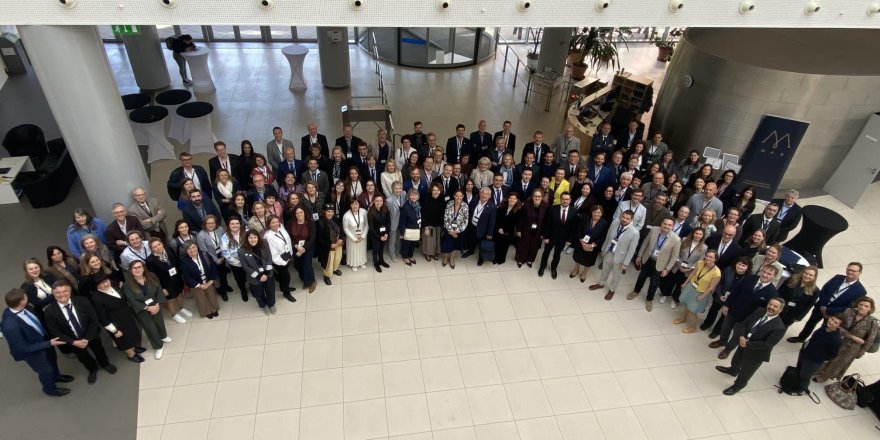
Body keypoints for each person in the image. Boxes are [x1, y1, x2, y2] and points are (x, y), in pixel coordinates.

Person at [1, 288, 74, 396]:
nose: (27, 297)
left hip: (44, 341)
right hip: (34, 353)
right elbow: (23, 348)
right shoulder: (10, 326)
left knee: (52, 361)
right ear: (21, 301)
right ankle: (50, 390)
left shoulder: (26, 307)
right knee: (46, 371)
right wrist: (48, 343)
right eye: (25, 296)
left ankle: (56, 377)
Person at [44, 281, 117, 384]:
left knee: (99, 350)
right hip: (73, 341)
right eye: (58, 292)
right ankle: (92, 369)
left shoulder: (83, 301)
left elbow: (94, 319)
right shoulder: (49, 311)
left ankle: (105, 364)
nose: (62, 295)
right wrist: (73, 342)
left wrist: (87, 338)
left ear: (70, 292)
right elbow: (54, 331)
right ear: (53, 294)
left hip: (91, 335)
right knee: (83, 357)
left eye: (65, 291)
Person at [715, 297, 787, 395]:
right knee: (736, 359)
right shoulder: (760, 311)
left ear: (780, 310)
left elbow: (767, 344)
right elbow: (744, 324)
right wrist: (741, 336)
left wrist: (747, 343)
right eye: (770, 304)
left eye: (775, 306)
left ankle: (737, 386)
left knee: (746, 372)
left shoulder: (779, 327)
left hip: (756, 352)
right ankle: (732, 370)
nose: (771, 307)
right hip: (743, 342)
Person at [709, 265, 779, 358]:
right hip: (733, 311)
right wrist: (726, 305)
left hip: (747, 319)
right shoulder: (749, 278)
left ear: (774, 276)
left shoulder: (773, 293)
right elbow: (735, 291)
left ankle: (727, 350)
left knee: (737, 336)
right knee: (725, 327)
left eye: (769, 274)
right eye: (764, 271)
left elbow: (764, 311)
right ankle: (722, 341)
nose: (765, 275)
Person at [791, 266, 867, 346]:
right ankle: (801, 338)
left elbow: (849, 307)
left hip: (835, 313)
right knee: (810, 323)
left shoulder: (861, 291)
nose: (850, 272)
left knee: (826, 329)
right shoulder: (837, 277)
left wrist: (828, 310)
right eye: (849, 269)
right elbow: (824, 290)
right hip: (821, 306)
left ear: (860, 273)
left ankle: (815, 344)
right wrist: (823, 306)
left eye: (854, 271)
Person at [814, 297, 879, 382]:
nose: (862, 307)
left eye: (866, 306)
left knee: (837, 362)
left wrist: (861, 351)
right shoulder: (849, 312)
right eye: (861, 304)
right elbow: (837, 326)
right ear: (857, 304)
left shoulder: (872, 322)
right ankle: (818, 370)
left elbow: (870, 339)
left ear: (870, 308)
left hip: (852, 347)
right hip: (837, 339)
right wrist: (852, 337)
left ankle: (825, 376)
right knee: (826, 356)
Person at [627, 218, 682, 311]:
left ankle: (649, 299)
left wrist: (667, 269)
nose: (666, 226)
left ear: (673, 227)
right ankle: (636, 291)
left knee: (654, 283)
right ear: (661, 223)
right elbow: (645, 243)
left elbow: (674, 256)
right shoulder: (654, 230)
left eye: (669, 225)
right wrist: (639, 256)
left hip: (660, 264)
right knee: (641, 277)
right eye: (665, 224)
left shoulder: (676, 239)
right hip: (648, 259)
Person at [91, 274, 146, 364]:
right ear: (97, 286)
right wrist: (114, 330)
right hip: (116, 323)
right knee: (123, 340)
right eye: (102, 283)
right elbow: (102, 318)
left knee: (131, 334)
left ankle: (133, 348)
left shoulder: (113, 284)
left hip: (126, 316)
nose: (106, 284)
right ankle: (131, 355)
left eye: (106, 281)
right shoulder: (96, 298)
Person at [590, 210, 640, 300]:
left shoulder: (635, 233)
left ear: (631, 220)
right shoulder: (615, 223)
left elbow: (631, 250)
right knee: (605, 270)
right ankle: (601, 283)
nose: (624, 220)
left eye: (627, 218)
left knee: (616, 275)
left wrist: (626, 263)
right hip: (609, 252)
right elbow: (608, 236)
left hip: (620, 258)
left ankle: (612, 290)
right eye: (623, 217)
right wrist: (603, 249)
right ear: (621, 216)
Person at [702, 256, 752, 335]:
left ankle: (716, 331)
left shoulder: (749, 278)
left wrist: (730, 299)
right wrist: (720, 295)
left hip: (732, 301)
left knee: (724, 316)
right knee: (713, 311)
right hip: (719, 296)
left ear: (747, 268)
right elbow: (719, 283)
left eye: (743, 266)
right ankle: (707, 323)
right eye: (739, 264)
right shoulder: (728, 270)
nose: (740, 267)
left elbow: (742, 293)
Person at [675, 251, 723, 333]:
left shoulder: (717, 272)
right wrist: (685, 283)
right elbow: (692, 274)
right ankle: (683, 318)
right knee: (687, 304)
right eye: (707, 256)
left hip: (701, 293)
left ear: (715, 259)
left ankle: (693, 328)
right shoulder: (700, 263)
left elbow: (711, 287)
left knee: (693, 311)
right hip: (691, 287)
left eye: (711, 257)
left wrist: (702, 296)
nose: (708, 258)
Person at [794, 314, 843, 394]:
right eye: (832, 319)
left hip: (813, 360)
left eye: (835, 322)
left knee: (805, 376)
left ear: (839, 326)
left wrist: (824, 358)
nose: (831, 322)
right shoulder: (823, 328)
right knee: (799, 368)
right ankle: (795, 382)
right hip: (805, 352)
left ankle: (801, 390)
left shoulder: (836, 340)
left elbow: (833, 354)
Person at [146, 237, 191, 323]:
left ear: (162, 244)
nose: (158, 247)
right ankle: (174, 315)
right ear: (151, 249)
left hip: (176, 278)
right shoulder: (150, 260)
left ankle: (181, 308)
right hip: (165, 284)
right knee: (170, 300)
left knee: (179, 294)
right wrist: (162, 288)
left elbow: (177, 262)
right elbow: (153, 277)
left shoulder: (168, 250)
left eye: (159, 244)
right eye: (154, 247)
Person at [661, 228, 708, 308]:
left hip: (688, 270)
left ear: (703, 236)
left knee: (680, 285)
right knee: (670, 281)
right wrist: (679, 264)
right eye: (696, 233)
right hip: (677, 265)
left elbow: (700, 261)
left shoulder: (704, 247)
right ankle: (665, 294)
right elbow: (677, 252)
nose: (698, 235)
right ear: (693, 233)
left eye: (700, 234)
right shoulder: (684, 240)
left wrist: (690, 268)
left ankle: (675, 299)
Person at [179, 241, 222, 318]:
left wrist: (209, 282)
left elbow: (213, 268)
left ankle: (214, 308)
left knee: (211, 295)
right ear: (186, 251)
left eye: (193, 247)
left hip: (208, 280)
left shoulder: (205, 255)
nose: (192, 250)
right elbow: (187, 277)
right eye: (189, 249)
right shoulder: (184, 262)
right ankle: (206, 311)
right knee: (201, 298)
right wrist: (199, 285)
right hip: (196, 283)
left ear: (197, 247)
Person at [238, 229, 277, 314]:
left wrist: (266, 273)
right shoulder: (241, 251)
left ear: (258, 237)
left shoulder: (264, 243)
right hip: (254, 276)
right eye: (250, 237)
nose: (253, 239)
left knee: (270, 291)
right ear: (247, 239)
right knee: (258, 293)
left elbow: (269, 257)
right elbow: (245, 266)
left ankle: (271, 304)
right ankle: (263, 305)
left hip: (267, 273)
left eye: (255, 237)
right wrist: (259, 276)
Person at [538, 191, 575, 278]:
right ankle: (542, 267)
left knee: (557, 254)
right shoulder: (552, 208)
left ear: (570, 200)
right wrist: (545, 236)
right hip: (551, 236)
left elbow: (573, 227)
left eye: (567, 199)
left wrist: (570, 240)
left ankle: (553, 268)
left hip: (563, 238)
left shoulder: (574, 211)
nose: (565, 201)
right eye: (563, 199)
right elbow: (547, 223)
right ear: (560, 199)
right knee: (546, 252)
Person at [263, 215, 297, 302]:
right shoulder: (268, 236)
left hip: (287, 256)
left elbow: (287, 240)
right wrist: (282, 262)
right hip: (279, 261)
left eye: (277, 222)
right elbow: (273, 253)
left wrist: (289, 255)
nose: (276, 224)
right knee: (286, 277)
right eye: (273, 222)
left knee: (282, 276)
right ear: (269, 224)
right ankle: (286, 293)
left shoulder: (281, 228)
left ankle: (283, 287)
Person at [570, 205, 609, 282]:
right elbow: (579, 230)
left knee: (588, 261)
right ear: (591, 212)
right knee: (578, 258)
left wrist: (592, 245)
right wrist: (582, 241)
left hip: (593, 247)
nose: (596, 214)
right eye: (595, 212)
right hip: (581, 243)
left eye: (599, 212)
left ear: (602, 213)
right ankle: (576, 269)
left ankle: (584, 273)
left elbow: (603, 237)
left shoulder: (604, 223)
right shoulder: (585, 219)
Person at [196, 215, 230, 300]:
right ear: (205, 224)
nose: (211, 225)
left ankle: (226, 285)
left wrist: (223, 256)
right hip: (210, 258)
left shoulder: (220, 229)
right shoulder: (201, 235)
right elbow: (204, 251)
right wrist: (216, 259)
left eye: (213, 223)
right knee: (216, 275)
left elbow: (225, 241)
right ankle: (221, 291)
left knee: (223, 272)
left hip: (222, 253)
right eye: (208, 223)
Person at [516, 189, 549, 268]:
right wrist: (519, 230)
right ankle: (520, 259)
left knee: (534, 246)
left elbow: (546, 221)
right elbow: (521, 218)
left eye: (539, 196)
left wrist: (544, 233)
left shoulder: (545, 206)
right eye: (535, 196)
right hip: (526, 229)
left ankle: (530, 259)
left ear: (542, 197)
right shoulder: (526, 205)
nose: (537, 198)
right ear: (532, 196)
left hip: (538, 230)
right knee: (523, 244)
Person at [288, 206, 318, 293]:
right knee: (298, 265)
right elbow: (289, 237)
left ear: (304, 213)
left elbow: (312, 239)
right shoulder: (290, 223)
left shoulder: (311, 223)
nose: (299, 214)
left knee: (307, 265)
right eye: (297, 213)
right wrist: (296, 246)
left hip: (308, 247)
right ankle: (304, 277)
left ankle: (311, 281)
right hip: (296, 247)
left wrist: (304, 248)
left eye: (301, 212)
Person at [493, 192, 521, 265]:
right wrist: (500, 228)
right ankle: (495, 258)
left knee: (504, 247)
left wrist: (504, 230)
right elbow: (497, 218)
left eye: (514, 199)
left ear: (517, 200)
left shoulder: (519, 210)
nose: (512, 200)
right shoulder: (502, 206)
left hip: (508, 232)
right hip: (498, 229)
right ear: (508, 198)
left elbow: (515, 223)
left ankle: (501, 260)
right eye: (511, 198)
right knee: (497, 245)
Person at [421, 183, 445, 262]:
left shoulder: (442, 198)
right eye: (434, 190)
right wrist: (426, 227)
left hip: (439, 224)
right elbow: (423, 213)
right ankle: (428, 254)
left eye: (438, 190)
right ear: (431, 190)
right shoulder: (426, 199)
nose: (436, 192)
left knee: (437, 240)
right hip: (429, 224)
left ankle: (434, 253)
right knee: (429, 239)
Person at [367, 195, 392, 272]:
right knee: (376, 250)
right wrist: (379, 237)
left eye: (380, 201)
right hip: (375, 235)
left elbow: (388, 222)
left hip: (384, 234)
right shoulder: (371, 212)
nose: (379, 202)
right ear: (374, 202)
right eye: (377, 201)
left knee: (381, 248)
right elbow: (371, 228)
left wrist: (386, 233)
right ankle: (376, 263)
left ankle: (381, 260)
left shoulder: (385, 208)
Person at [399, 188, 422, 266]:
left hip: (416, 228)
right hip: (408, 229)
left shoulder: (418, 204)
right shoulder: (405, 207)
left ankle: (410, 255)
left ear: (418, 196)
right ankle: (405, 257)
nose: (414, 197)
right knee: (406, 244)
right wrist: (402, 233)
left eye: (415, 195)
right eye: (412, 195)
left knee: (413, 243)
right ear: (408, 196)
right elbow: (402, 221)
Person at [386, 182, 405, 263]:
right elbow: (388, 214)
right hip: (393, 223)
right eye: (396, 188)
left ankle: (397, 252)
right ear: (392, 189)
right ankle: (392, 254)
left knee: (399, 239)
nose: (398, 190)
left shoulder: (404, 194)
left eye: (400, 188)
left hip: (402, 222)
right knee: (392, 240)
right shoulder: (389, 200)